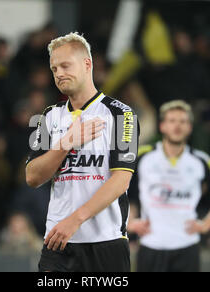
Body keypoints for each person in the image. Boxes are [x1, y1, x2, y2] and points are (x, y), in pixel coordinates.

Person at [25, 32, 139, 272]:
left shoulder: (121, 115)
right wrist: (67, 142)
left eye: (65, 65)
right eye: (54, 68)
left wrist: (75, 220)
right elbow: (32, 176)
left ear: (87, 64)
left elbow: (121, 180)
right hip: (58, 242)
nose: (59, 73)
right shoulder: (47, 116)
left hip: (106, 242)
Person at [128, 100, 210, 272]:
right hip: (151, 246)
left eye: (183, 121)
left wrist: (207, 223)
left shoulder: (200, 160)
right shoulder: (143, 156)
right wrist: (127, 222)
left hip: (187, 247)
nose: (177, 126)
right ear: (162, 126)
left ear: (190, 127)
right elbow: (111, 184)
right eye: (172, 121)